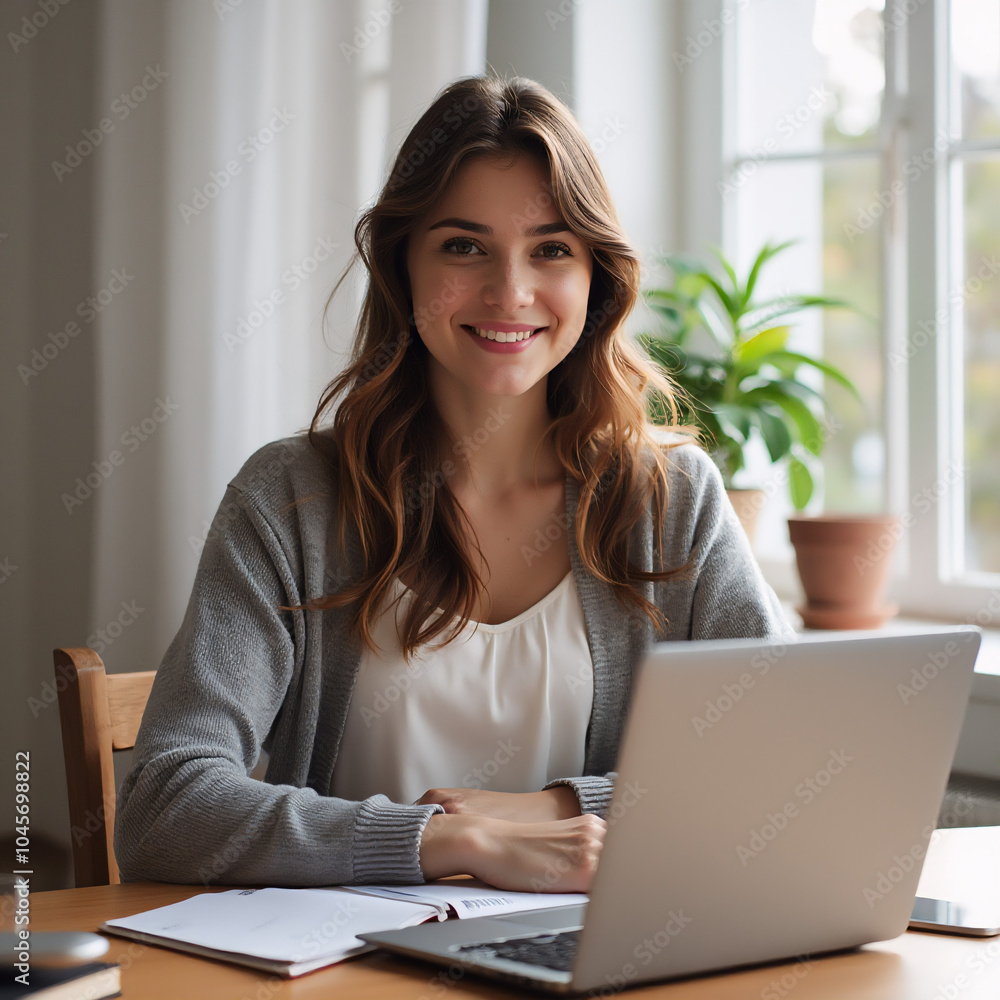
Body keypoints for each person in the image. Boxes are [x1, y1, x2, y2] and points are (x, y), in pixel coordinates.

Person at [115, 75, 791, 893]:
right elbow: (164, 807)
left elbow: (779, 767)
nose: (510, 292)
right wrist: (448, 842)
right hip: (343, 970)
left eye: (551, 249)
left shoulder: (669, 499)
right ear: (403, 266)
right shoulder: (290, 500)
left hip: (579, 963)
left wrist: (554, 808)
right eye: (464, 246)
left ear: (595, 280)